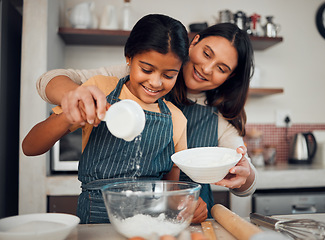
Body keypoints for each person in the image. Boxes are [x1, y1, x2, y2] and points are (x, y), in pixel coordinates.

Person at [36, 22, 257, 218]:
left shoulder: (216, 116)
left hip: (187, 216)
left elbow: (245, 179)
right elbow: (49, 80)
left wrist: (243, 175)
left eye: (221, 68)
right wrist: (77, 98)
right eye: (207, 54)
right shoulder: (132, 77)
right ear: (194, 42)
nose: (206, 69)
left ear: (231, 76)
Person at [23, 14, 202, 224]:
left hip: (149, 223)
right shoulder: (100, 90)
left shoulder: (175, 118)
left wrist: (185, 205)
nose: (155, 82)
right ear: (129, 57)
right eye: (146, 69)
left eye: (169, 75)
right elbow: (30, 147)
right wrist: (68, 116)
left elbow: (171, 185)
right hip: (96, 218)